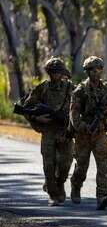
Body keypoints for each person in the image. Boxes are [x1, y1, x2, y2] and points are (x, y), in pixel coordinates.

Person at [69, 56, 107, 210]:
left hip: (100, 133)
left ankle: (102, 196)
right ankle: (76, 186)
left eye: (98, 69)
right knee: (81, 166)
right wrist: (82, 127)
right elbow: (73, 114)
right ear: (87, 71)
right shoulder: (80, 91)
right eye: (91, 69)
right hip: (83, 134)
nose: (95, 72)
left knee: (103, 165)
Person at [21, 57, 74, 206]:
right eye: (52, 72)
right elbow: (26, 108)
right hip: (49, 131)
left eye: (58, 72)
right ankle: (53, 194)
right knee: (49, 164)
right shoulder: (43, 88)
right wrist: (38, 119)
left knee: (65, 163)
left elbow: (80, 106)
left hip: (65, 131)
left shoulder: (70, 88)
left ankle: (60, 183)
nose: (55, 75)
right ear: (49, 72)